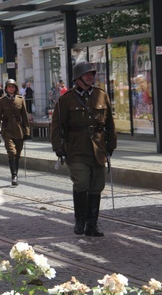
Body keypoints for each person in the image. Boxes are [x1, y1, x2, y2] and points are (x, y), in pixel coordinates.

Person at [50, 61, 117, 237]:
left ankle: (91, 224)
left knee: (96, 186)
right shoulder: (66, 99)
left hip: (98, 148)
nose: (91, 77)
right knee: (81, 182)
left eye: (92, 74)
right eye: (87, 74)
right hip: (76, 148)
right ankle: (79, 221)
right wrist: (58, 147)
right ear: (78, 78)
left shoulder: (101, 95)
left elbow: (109, 122)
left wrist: (111, 144)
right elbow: (56, 125)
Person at [0, 79, 30, 186]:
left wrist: (27, 131)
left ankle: (16, 174)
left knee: (17, 154)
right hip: (7, 129)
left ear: (16, 88)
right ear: (5, 88)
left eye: (13, 86)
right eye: (9, 86)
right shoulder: (2, 101)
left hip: (19, 130)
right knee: (11, 152)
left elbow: (25, 117)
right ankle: (13, 175)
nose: (11, 88)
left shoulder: (20, 99)